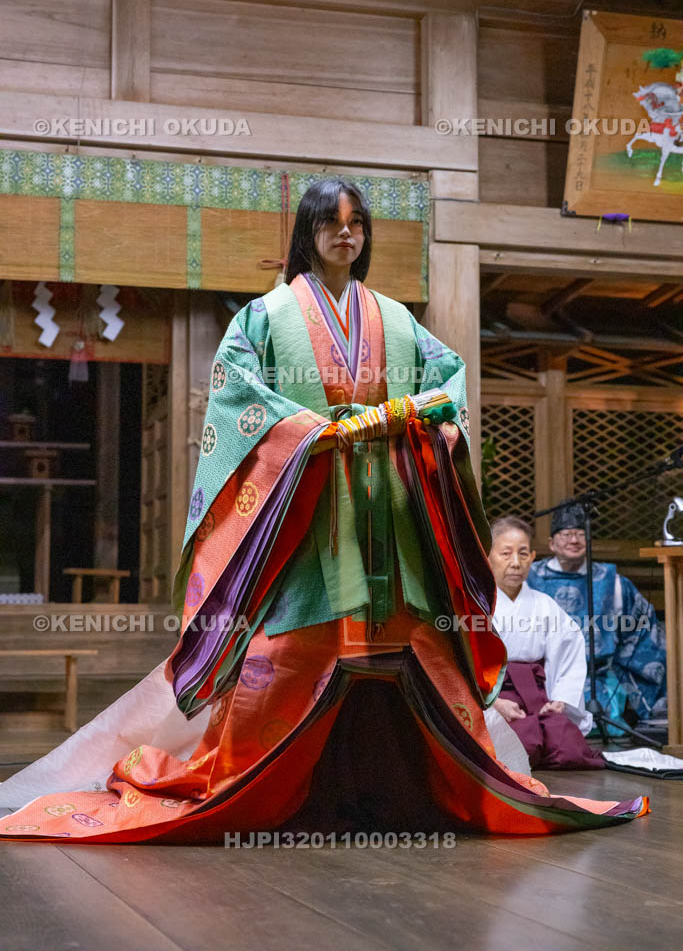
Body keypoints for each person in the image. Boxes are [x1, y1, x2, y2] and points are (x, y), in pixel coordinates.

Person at [0, 178, 647, 842]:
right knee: (282, 656)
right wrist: (312, 432)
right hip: (306, 517)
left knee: (422, 655)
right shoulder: (265, 317)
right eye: (330, 222)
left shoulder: (397, 319)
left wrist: (415, 418)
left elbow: (447, 385)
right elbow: (236, 397)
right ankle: (255, 787)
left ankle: (413, 787)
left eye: (356, 222)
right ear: (306, 233)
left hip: (390, 516)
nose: (345, 233)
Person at [528, 503, 667, 727]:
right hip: (540, 678)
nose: (574, 540)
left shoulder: (612, 582)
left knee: (599, 720)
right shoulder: (530, 578)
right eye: (566, 534)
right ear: (552, 543)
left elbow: (642, 629)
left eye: (580, 534)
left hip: (596, 679)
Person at [488, 516, 604, 770]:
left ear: (532, 557)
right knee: (523, 748)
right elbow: (462, 663)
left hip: (539, 696)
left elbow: (569, 650)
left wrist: (560, 698)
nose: (515, 563)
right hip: (497, 694)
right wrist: (493, 703)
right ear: (488, 557)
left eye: (523, 553)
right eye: (506, 553)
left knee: (570, 749)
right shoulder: (476, 606)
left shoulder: (544, 604)